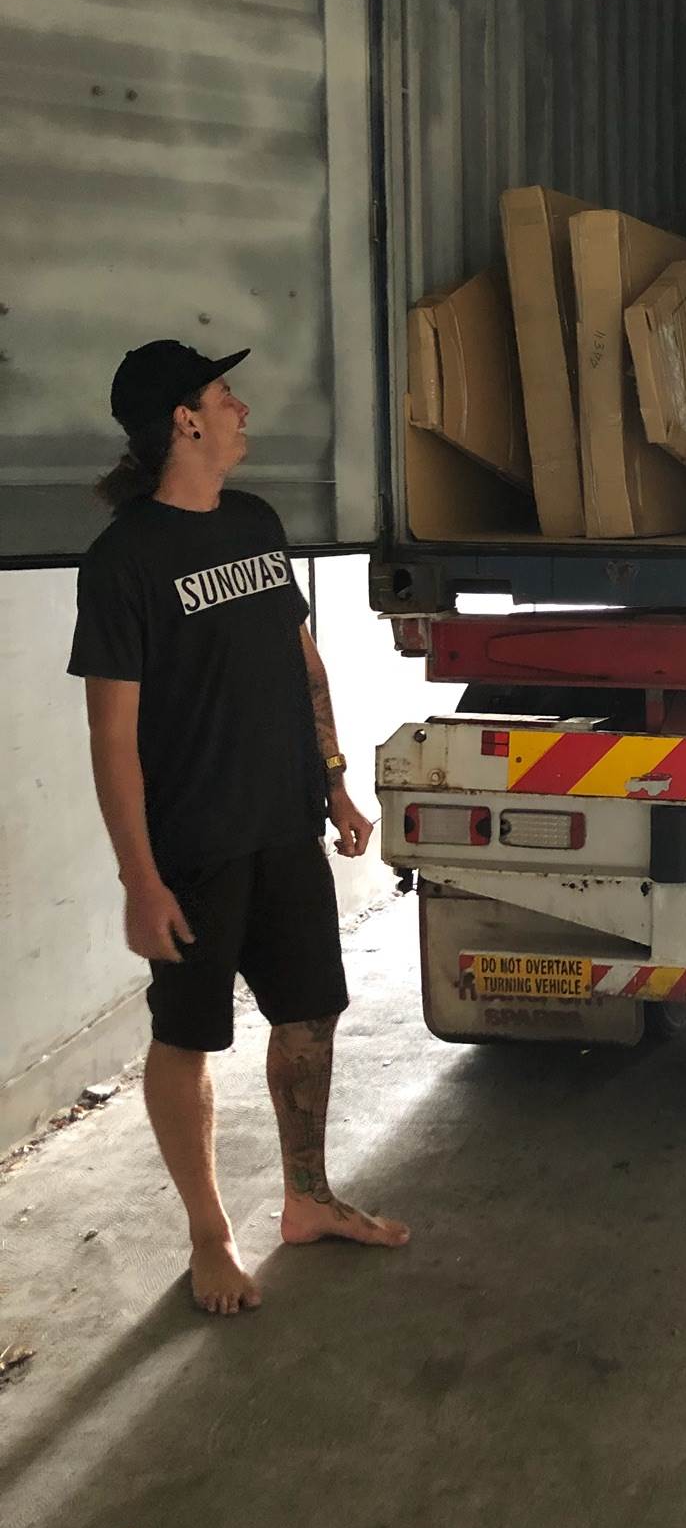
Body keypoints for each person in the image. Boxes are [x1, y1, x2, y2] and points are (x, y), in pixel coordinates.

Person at [68, 341, 408, 1315]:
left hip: (284, 825)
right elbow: (111, 735)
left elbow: (303, 663)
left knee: (310, 1014)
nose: (241, 407)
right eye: (225, 395)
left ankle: (307, 1199)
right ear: (185, 421)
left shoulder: (256, 522)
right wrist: (140, 879)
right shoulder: (124, 561)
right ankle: (209, 1234)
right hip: (195, 847)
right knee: (187, 1038)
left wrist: (334, 782)